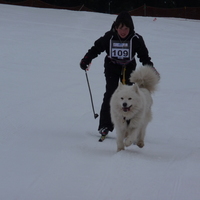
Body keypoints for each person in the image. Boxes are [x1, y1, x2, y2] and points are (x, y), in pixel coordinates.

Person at [80, 11, 158, 137]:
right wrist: (86, 59)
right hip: (112, 66)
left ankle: (128, 126)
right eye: (120, 28)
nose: (123, 32)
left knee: (129, 96)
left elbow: (144, 57)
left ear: (130, 28)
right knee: (111, 93)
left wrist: (152, 70)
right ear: (116, 27)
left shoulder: (136, 39)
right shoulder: (109, 37)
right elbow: (96, 48)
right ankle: (105, 125)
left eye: (126, 28)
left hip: (129, 67)